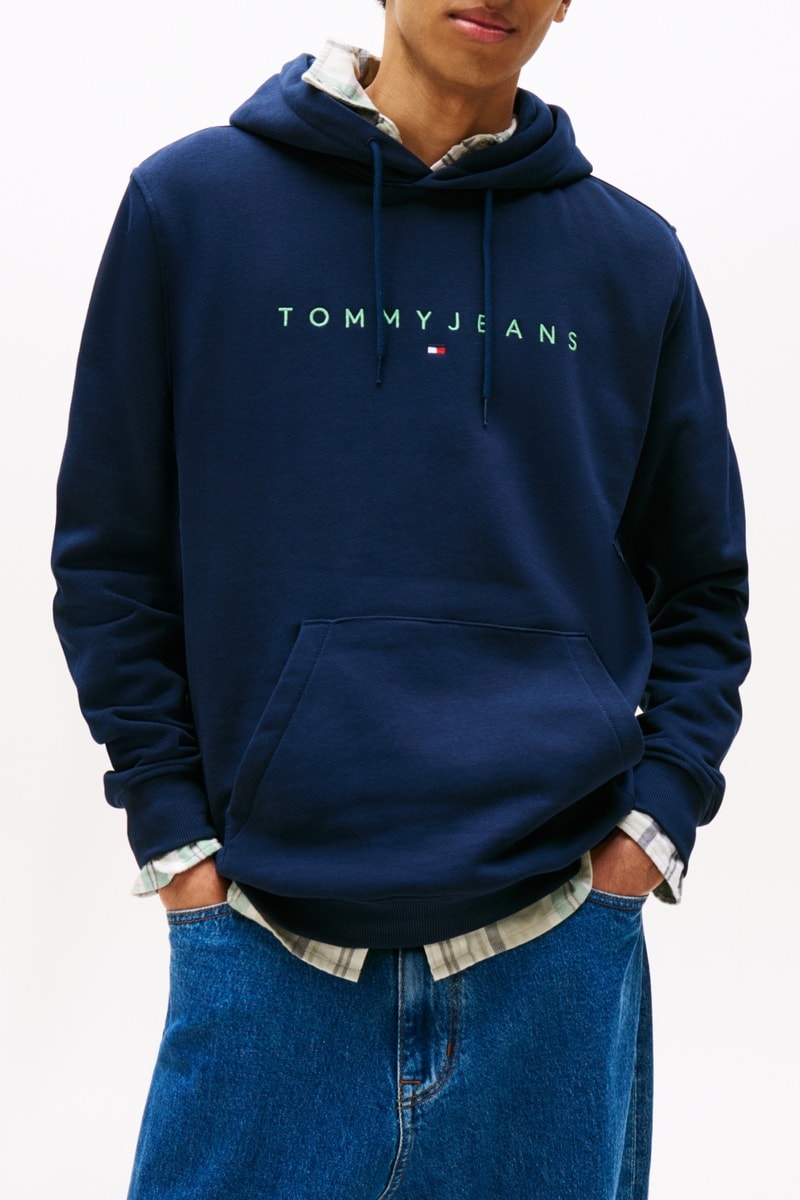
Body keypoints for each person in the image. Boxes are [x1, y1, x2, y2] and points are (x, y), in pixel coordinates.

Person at [52, 2, 749, 1197]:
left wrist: (649, 832)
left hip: (551, 951)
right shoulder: (192, 209)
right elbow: (113, 556)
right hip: (263, 947)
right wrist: (175, 842)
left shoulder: (631, 260)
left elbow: (699, 585)